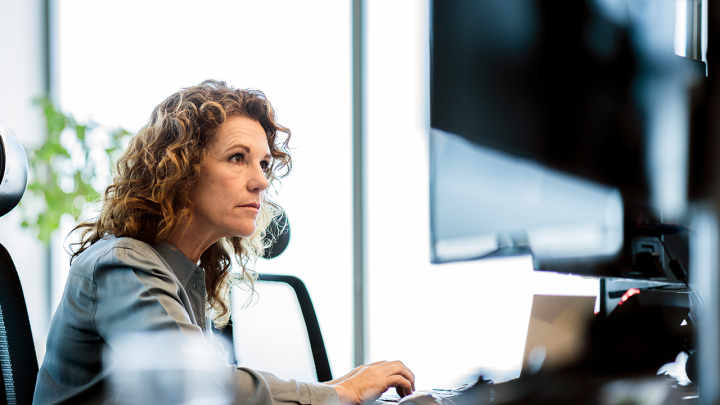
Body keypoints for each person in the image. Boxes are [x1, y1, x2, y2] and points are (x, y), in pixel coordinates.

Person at [33, 80, 415, 405]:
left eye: (263, 164)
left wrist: (337, 388)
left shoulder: (184, 271)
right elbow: (205, 383)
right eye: (237, 158)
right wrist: (339, 394)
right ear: (180, 169)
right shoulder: (122, 264)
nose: (262, 181)